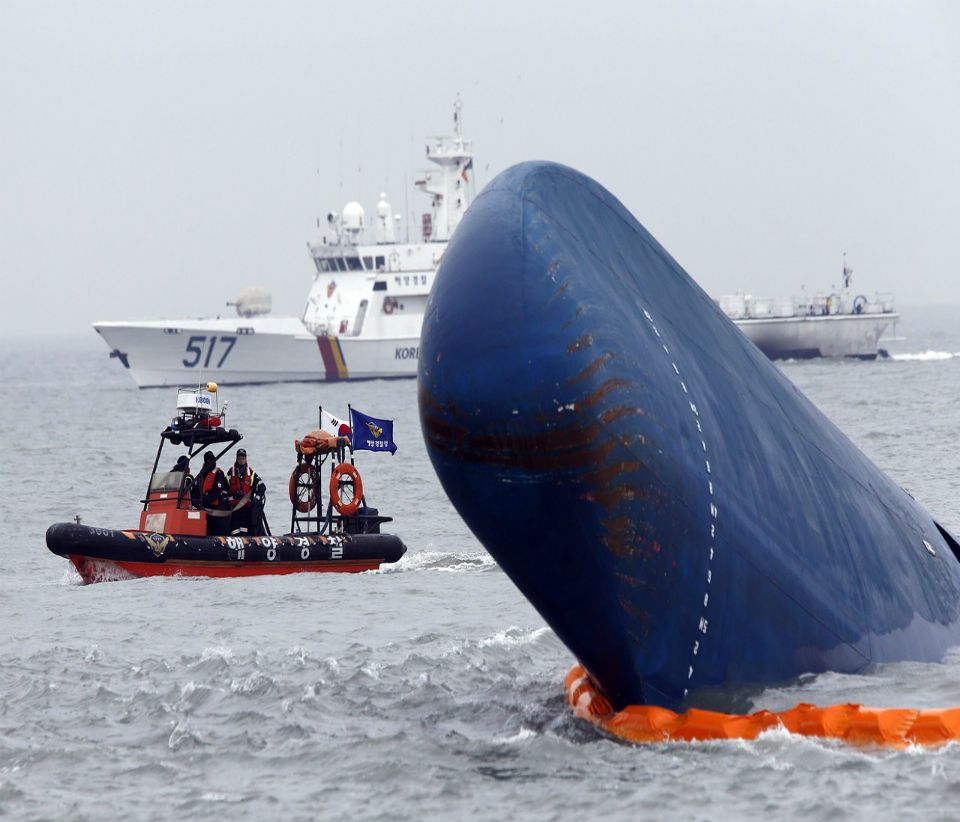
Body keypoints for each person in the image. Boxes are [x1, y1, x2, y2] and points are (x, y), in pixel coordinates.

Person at [227, 448, 264, 534]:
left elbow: (262, 486)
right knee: (234, 530)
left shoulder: (251, 473)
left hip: (246, 507)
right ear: (236, 458)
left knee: (245, 529)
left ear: (246, 459)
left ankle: (246, 543)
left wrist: (257, 498)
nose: (241, 460)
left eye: (243, 458)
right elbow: (225, 487)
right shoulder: (230, 472)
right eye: (239, 458)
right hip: (234, 507)